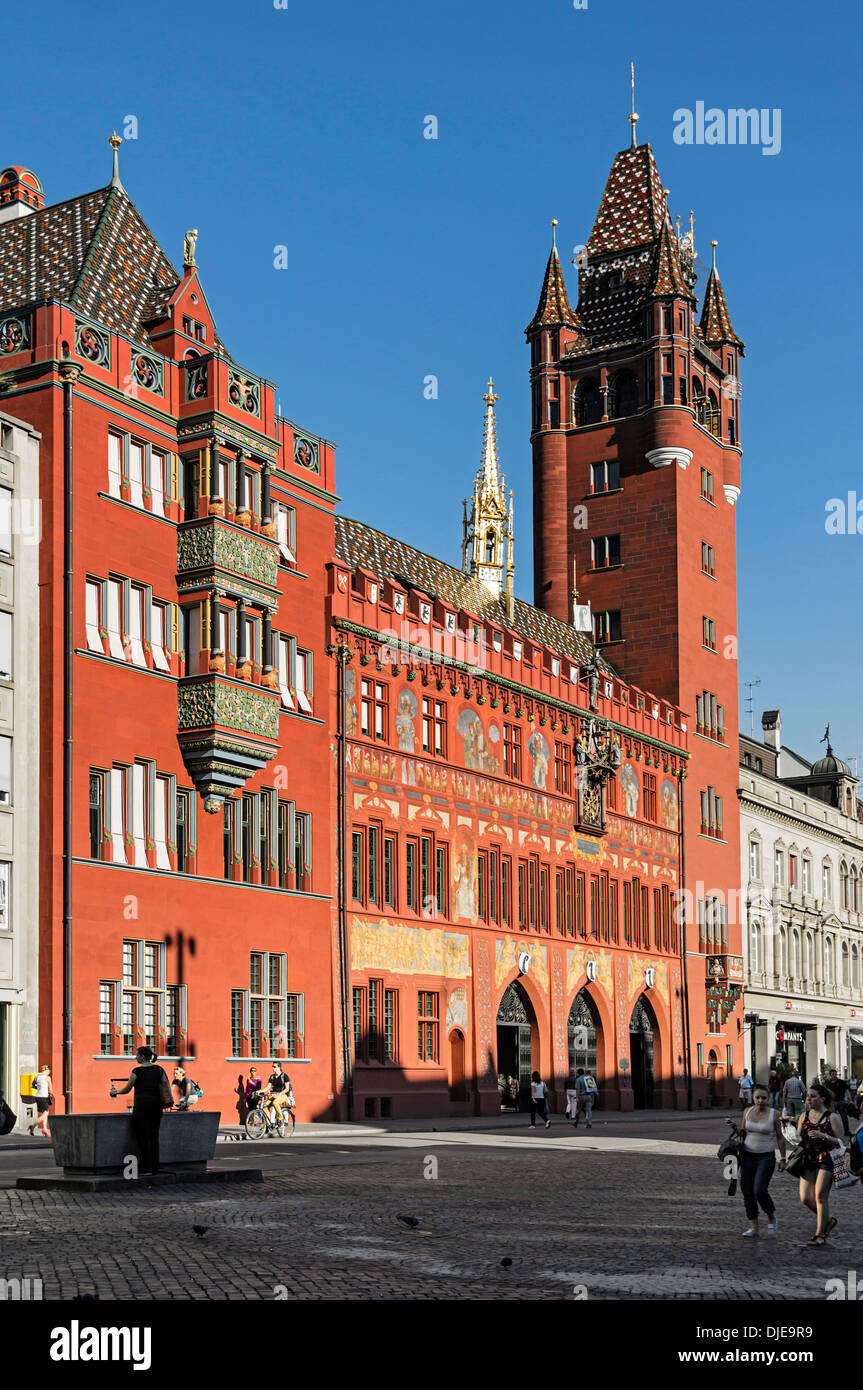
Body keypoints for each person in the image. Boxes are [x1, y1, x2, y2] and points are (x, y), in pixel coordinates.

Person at [726, 1084, 787, 1237]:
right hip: (747, 1156)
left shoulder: (775, 1114)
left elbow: (780, 1137)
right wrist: (734, 1128)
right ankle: (754, 1227)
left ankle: (771, 1216)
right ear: (753, 1098)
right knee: (747, 1191)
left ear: (769, 1098)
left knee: (759, 1190)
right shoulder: (747, 1111)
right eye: (757, 1098)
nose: (760, 1101)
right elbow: (743, 1133)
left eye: (763, 1098)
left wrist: (783, 1158)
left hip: (766, 1157)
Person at [796, 1082, 845, 1246]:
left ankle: (820, 1234)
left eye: (813, 1096)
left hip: (827, 1158)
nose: (809, 1099)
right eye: (808, 1096)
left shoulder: (832, 1117)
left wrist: (823, 1136)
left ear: (822, 1098)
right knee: (805, 1198)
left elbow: (841, 1142)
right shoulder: (804, 1116)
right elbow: (798, 1139)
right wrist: (787, 1128)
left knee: (820, 1197)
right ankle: (828, 1221)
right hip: (808, 1159)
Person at [110, 1046, 171, 1175]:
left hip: (142, 1108)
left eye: (137, 1055)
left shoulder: (136, 1071)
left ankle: (145, 1167)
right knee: (154, 1137)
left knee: (142, 1137)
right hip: (156, 1107)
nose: (135, 1057)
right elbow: (165, 1085)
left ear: (143, 1056)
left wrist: (116, 1092)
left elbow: (127, 1089)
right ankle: (154, 1167)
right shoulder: (159, 1069)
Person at [265, 1061, 295, 1132]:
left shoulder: (285, 1076)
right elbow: (267, 1087)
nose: (273, 1068)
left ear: (279, 1067)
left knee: (275, 1102)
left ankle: (281, 1120)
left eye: (274, 1067)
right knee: (264, 1105)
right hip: (274, 1094)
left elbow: (287, 1088)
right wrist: (259, 1091)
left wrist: (279, 1094)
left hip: (283, 1095)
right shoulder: (272, 1077)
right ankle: (269, 1124)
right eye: (272, 1066)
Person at [28, 1064, 53, 1138]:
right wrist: (50, 1094)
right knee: (46, 1113)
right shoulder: (47, 1078)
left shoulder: (37, 1076)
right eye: (49, 1071)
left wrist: (39, 1087)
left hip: (37, 1096)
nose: (49, 1072)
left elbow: (32, 1085)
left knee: (43, 1112)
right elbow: (51, 1090)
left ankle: (45, 1129)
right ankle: (33, 1126)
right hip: (43, 1097)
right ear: (47, 1070)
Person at [826, 1070, 851, 1136]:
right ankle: (833, 1132)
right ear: (830, 1075)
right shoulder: (828, 1083)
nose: (834, 1076)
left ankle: (846, 1131)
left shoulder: (841, 1082)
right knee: (831, 1117)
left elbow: (846, 1090)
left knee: (844, 1117)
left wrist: (849, 1099)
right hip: (832, 1102)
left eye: (835, 1074)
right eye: (832, 1074)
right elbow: (827, 1092)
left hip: (841, 1101)